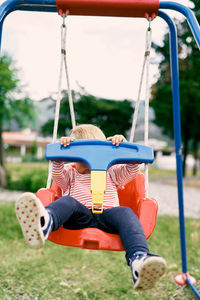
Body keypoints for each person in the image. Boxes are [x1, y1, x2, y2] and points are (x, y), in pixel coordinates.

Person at [16, 124, 166, 290]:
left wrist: (123, 146)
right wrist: (61, 151)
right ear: (73, 156)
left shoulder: (112, 172)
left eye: (99, 156)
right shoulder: (70, 173)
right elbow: (57, 174)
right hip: (79, 217)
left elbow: (132, 169)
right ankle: (44, 223)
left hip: (108, 217)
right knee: (68, 202)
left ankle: (139, 260)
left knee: (125, 212)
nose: (89, 162)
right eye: (81, 157)